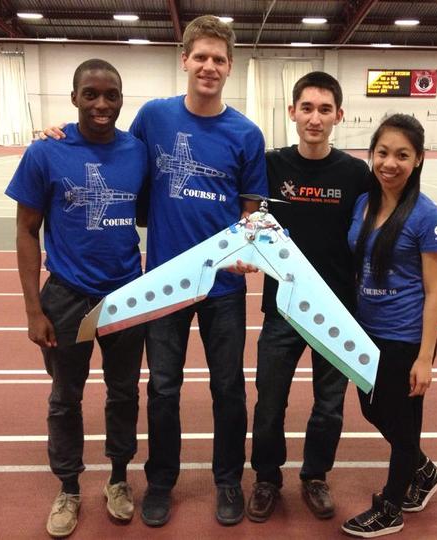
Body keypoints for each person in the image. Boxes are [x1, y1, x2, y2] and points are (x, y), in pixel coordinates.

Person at [130, 15, 267, 527]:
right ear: (184, 59)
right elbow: (119, 158)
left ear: (230, 67)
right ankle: (161, 480)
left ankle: (228, 480)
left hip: (223, 286)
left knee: (227, 386)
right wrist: (60, 134)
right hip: (164, 280)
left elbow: (252, 208)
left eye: (219, 59)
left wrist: (249, 245)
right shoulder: (153, 118)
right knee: (163, 386)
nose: (209, 66)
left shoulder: (245, 133)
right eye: (201, 57)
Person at [5, 59, 148, 538]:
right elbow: (26, 231)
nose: (101, 104)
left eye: (111, 95)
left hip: (126, 294)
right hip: (66, 296)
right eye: (91, 94)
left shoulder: (138, 151)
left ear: (122, 99)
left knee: (124, 393)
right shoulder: (47, 152)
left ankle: (119, 479)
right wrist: (32, 308)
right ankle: (68, 486)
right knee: (65, 398)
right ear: (74, 99)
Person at [245, 72, 372, 523]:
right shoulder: (270, 165)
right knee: (270, 401)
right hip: (282, 307)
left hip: (336, 311)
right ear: (292, 112)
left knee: (328, 405)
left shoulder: (356, 173)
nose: (314, 118)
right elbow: (241, 216)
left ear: (339, 115)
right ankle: (266, 478)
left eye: (324, 109)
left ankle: (315, 475)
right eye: (306, 108)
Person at [341, 113, 437, 538]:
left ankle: (391, 506)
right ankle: (423, 469)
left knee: (403, 422)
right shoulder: (363, 203)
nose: (390, 163)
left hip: (405, 339)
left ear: (418, 159)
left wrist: (425, 357)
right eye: (383, 153)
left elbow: (435, 292)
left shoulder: (426, 217)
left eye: (402, 155)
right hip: (367, 332)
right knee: (373, 409)